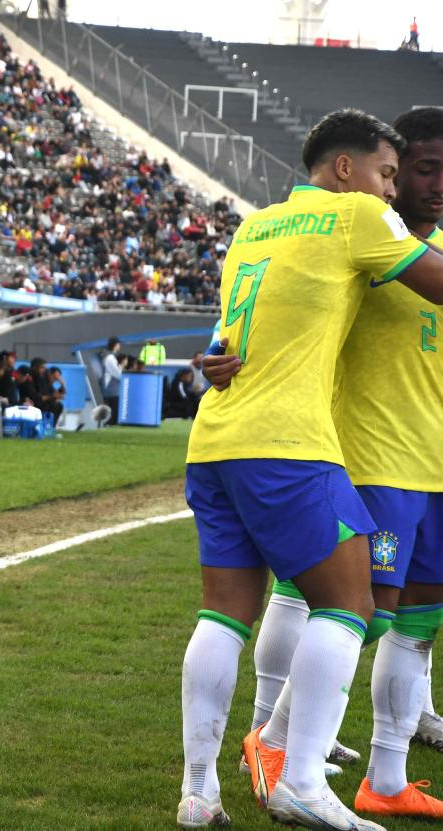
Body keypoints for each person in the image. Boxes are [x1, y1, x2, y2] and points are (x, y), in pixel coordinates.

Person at [178, 108, 443, 831]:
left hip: (219, 439)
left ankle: (198, 791)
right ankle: (290, 764)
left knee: (224, 613)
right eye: (391, 173)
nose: (392, 192)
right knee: (350, 607)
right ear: (348, 170)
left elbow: (226, 339)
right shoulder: (359, 216)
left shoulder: (255, 226)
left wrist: (213, 360)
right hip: (298, 444)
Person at [100, 336, 121, 425]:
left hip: (111, 389)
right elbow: (117, 373)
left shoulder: (110, 357)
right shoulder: (110, 358)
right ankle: (108, 426)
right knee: (114, 413)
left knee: (114, 412)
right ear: (115, 345)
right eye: (118, 344)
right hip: (111, 390)